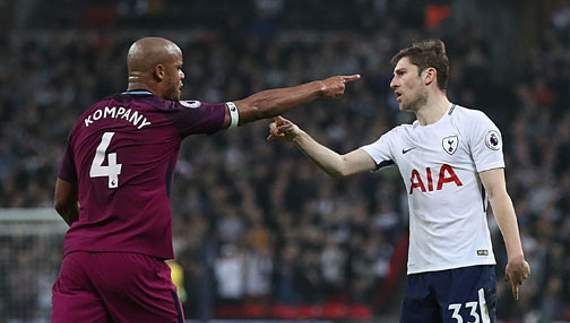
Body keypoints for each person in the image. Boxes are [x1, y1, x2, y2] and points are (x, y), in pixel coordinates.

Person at [52, 36, 360, 323]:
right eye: (179, 68)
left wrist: (96, 239)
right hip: (134, 260)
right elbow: (253, 106)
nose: (183, 76)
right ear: (160, 72)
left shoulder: (87, 119)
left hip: (78, 260)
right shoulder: (167, 113)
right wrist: (320, 87)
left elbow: (62, 200)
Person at [268, 39, 530, 322]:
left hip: (467, 267)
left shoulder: (473, 124)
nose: (393, 83)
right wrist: (297, 136)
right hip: (420, 274)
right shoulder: (399, 138)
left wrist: (515, 254)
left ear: (428, 75)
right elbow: (341, 166)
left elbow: (497, 193)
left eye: (401, 73)